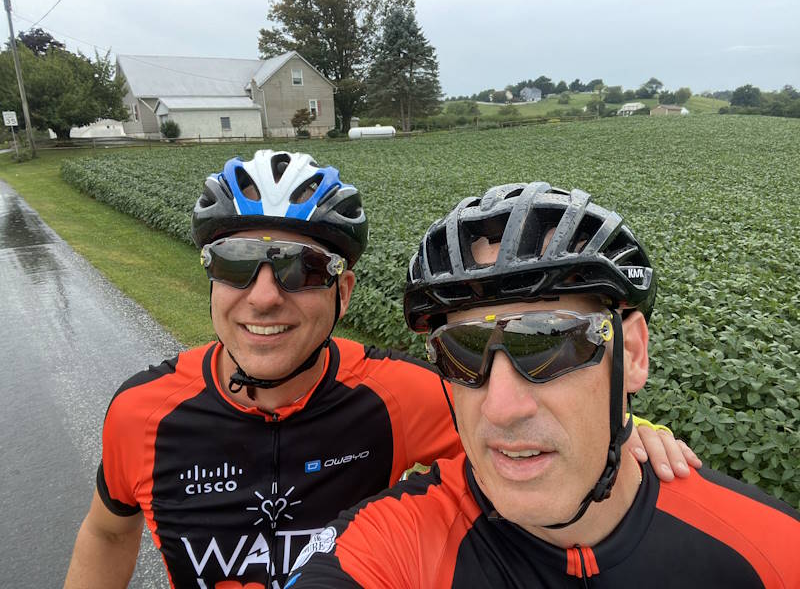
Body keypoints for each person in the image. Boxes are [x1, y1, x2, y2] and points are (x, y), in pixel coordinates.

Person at [64, 155, 697, 589]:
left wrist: (628, 428)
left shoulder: (402, 395)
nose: (261, 297)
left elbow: (528, 426)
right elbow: (107, 532)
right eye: (234, 264)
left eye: (301, 269)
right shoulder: (142, 412)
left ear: (344, 294)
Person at [287, 182, 800, 588]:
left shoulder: (776, 552)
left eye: (548, 345)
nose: (502, 408)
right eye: (462, 351)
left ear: (633, 354)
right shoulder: (392, 542)